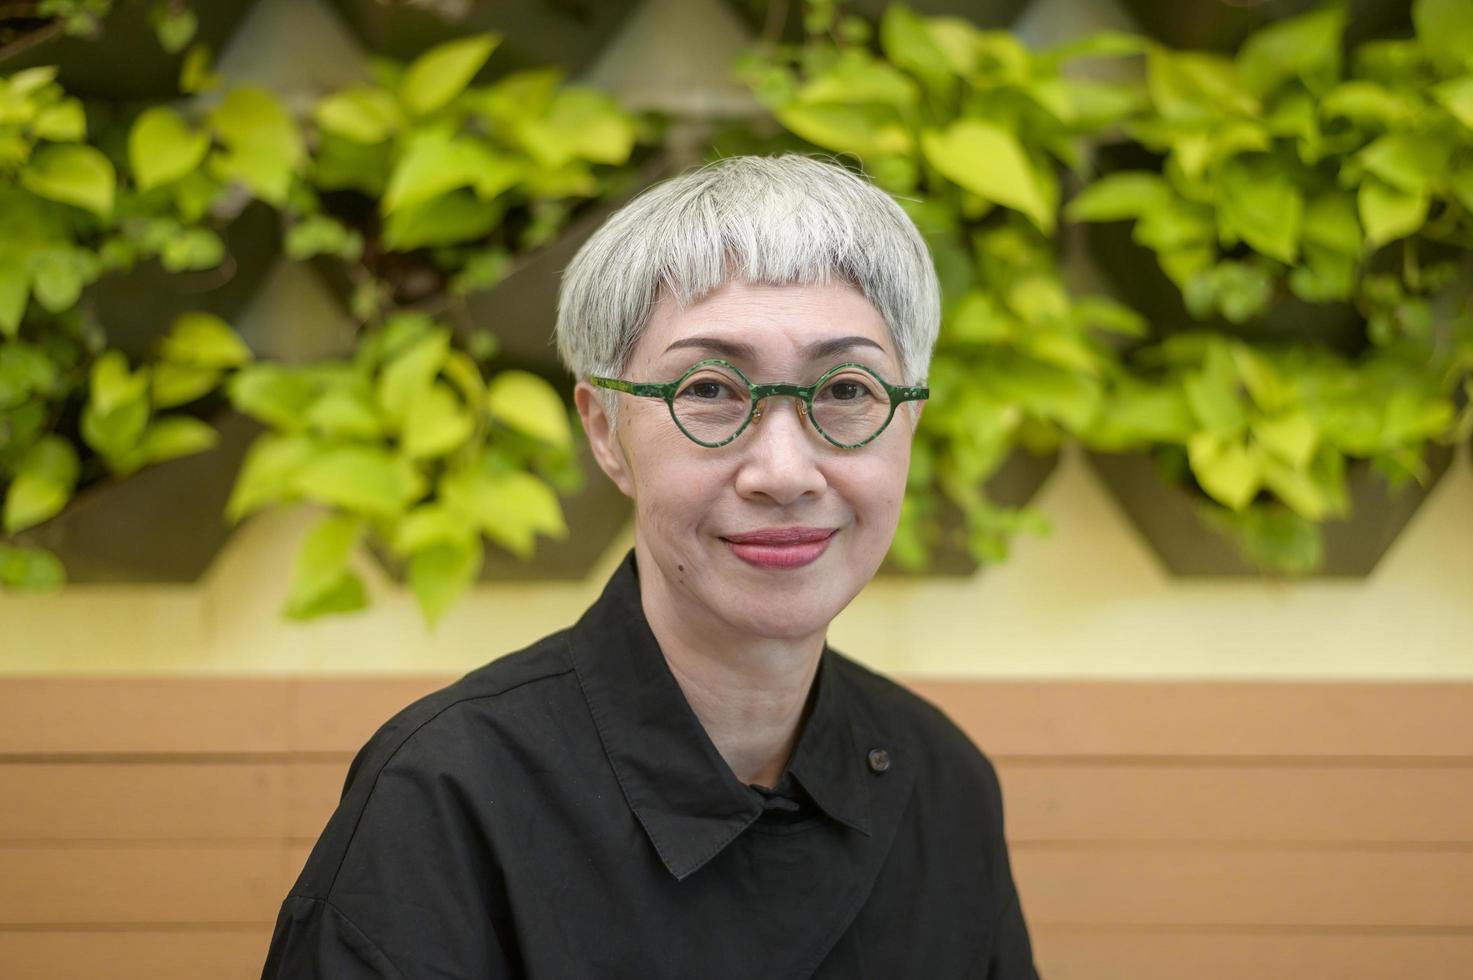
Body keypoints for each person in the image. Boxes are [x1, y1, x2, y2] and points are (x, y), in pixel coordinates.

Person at [260, 153, 1040, 979]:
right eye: (709, 389)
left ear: (908, 424)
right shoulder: (447, 792)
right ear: (605, 432)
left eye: (847, 390)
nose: (783, 472)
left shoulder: (942, 782)